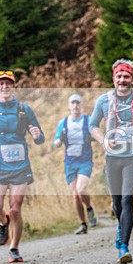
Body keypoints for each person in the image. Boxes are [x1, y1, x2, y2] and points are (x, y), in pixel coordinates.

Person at [89, 59, 133, 264]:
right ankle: (120, 228)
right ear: (114, 79)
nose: (122, 80)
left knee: (127, 199)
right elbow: (92, 125)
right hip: (113, 158)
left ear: (132, 79)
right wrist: (102, 140)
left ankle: (123, 246)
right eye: (119, 76)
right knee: (118, 203)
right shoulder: (103, 101)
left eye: (126, 76)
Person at [0, 70, 45, 263]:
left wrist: (37, 135)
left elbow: (40, 138)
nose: (4, 86)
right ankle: (3, 223)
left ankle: (14, 248)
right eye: (0, 83)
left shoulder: (24, 109)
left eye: (8, 83)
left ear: (13, 86)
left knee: (16, 209)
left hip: (20, 166)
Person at [53, 94, 97, 235]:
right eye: (73, 103)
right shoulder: (64, 123)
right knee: (76, 195)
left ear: (81, 105)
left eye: (78, 103)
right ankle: (83, 224)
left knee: (81, 189)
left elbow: (96, 134)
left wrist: (95, 137)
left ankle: (89, 208)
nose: (75, 105)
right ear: (69, 106)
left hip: (85, 160)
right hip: (70, 162)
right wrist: (60, 140)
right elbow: (56, 143)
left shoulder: (88, 120)